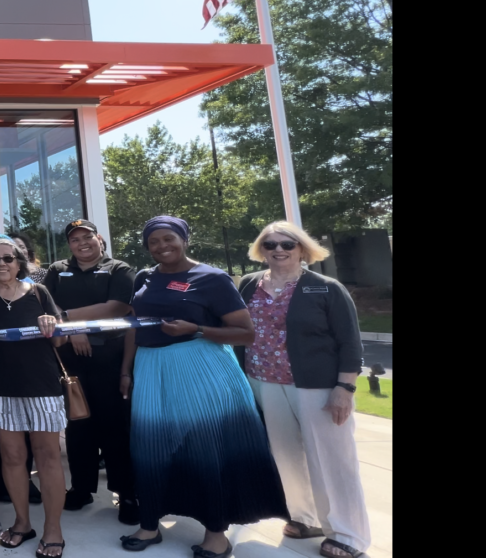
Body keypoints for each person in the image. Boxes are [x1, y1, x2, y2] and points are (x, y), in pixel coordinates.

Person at [120, 216, 287, 557]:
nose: (162, 246)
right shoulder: (144, 277)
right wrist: (126, 370)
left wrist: (195, 329)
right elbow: (133, 326)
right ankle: (150, 524)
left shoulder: (211, 278)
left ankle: (216, 533)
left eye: (169, 239)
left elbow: (246, 332)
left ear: (184, 239)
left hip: (199, 366)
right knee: (149, 445)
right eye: (154, 242)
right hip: (151, 368)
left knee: (207, 447)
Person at [238, 222, 368, 558]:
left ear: (302, 249)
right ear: (261, 249)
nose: (279, 250)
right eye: (270, 244)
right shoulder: (250, 285)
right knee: (285, 455)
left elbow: (350, 343)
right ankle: (305, 517)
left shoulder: (326, 288)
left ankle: (348, 533)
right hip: (264, 382)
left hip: (317, 386)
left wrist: (345, 388)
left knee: (332, 459)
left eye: (287, 244)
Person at [0, 236, 67, 556]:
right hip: (2, 387)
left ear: (20, 261)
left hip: (43, 386)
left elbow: (60, 342)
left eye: (8, 258)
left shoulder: (39, 292)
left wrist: (53, 326)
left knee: (48, 456)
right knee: (11, 457)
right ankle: (22, 523)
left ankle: (53, 529)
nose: (2, 264)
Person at [43, 219, 140, 523]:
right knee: (78, 425)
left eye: (87, 237)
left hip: (109, 357)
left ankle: (127, 493)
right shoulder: (58, 270)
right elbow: (45, 306)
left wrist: (70, 320)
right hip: (69, 360)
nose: (82, 243)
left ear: (99, 239)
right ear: (69, 245)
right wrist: (71, 331)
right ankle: (81, 488)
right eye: (75, 239)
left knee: (115, 427)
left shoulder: (119, 269)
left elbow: (118, 307)